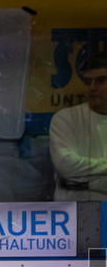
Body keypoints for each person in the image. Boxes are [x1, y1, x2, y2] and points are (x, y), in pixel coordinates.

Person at [50, 51, 107, 201]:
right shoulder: (65, 119)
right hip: (72, 211)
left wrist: (84, 181)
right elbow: (65, 165)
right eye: (88, 81)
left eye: (101, 80)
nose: (92, 88)